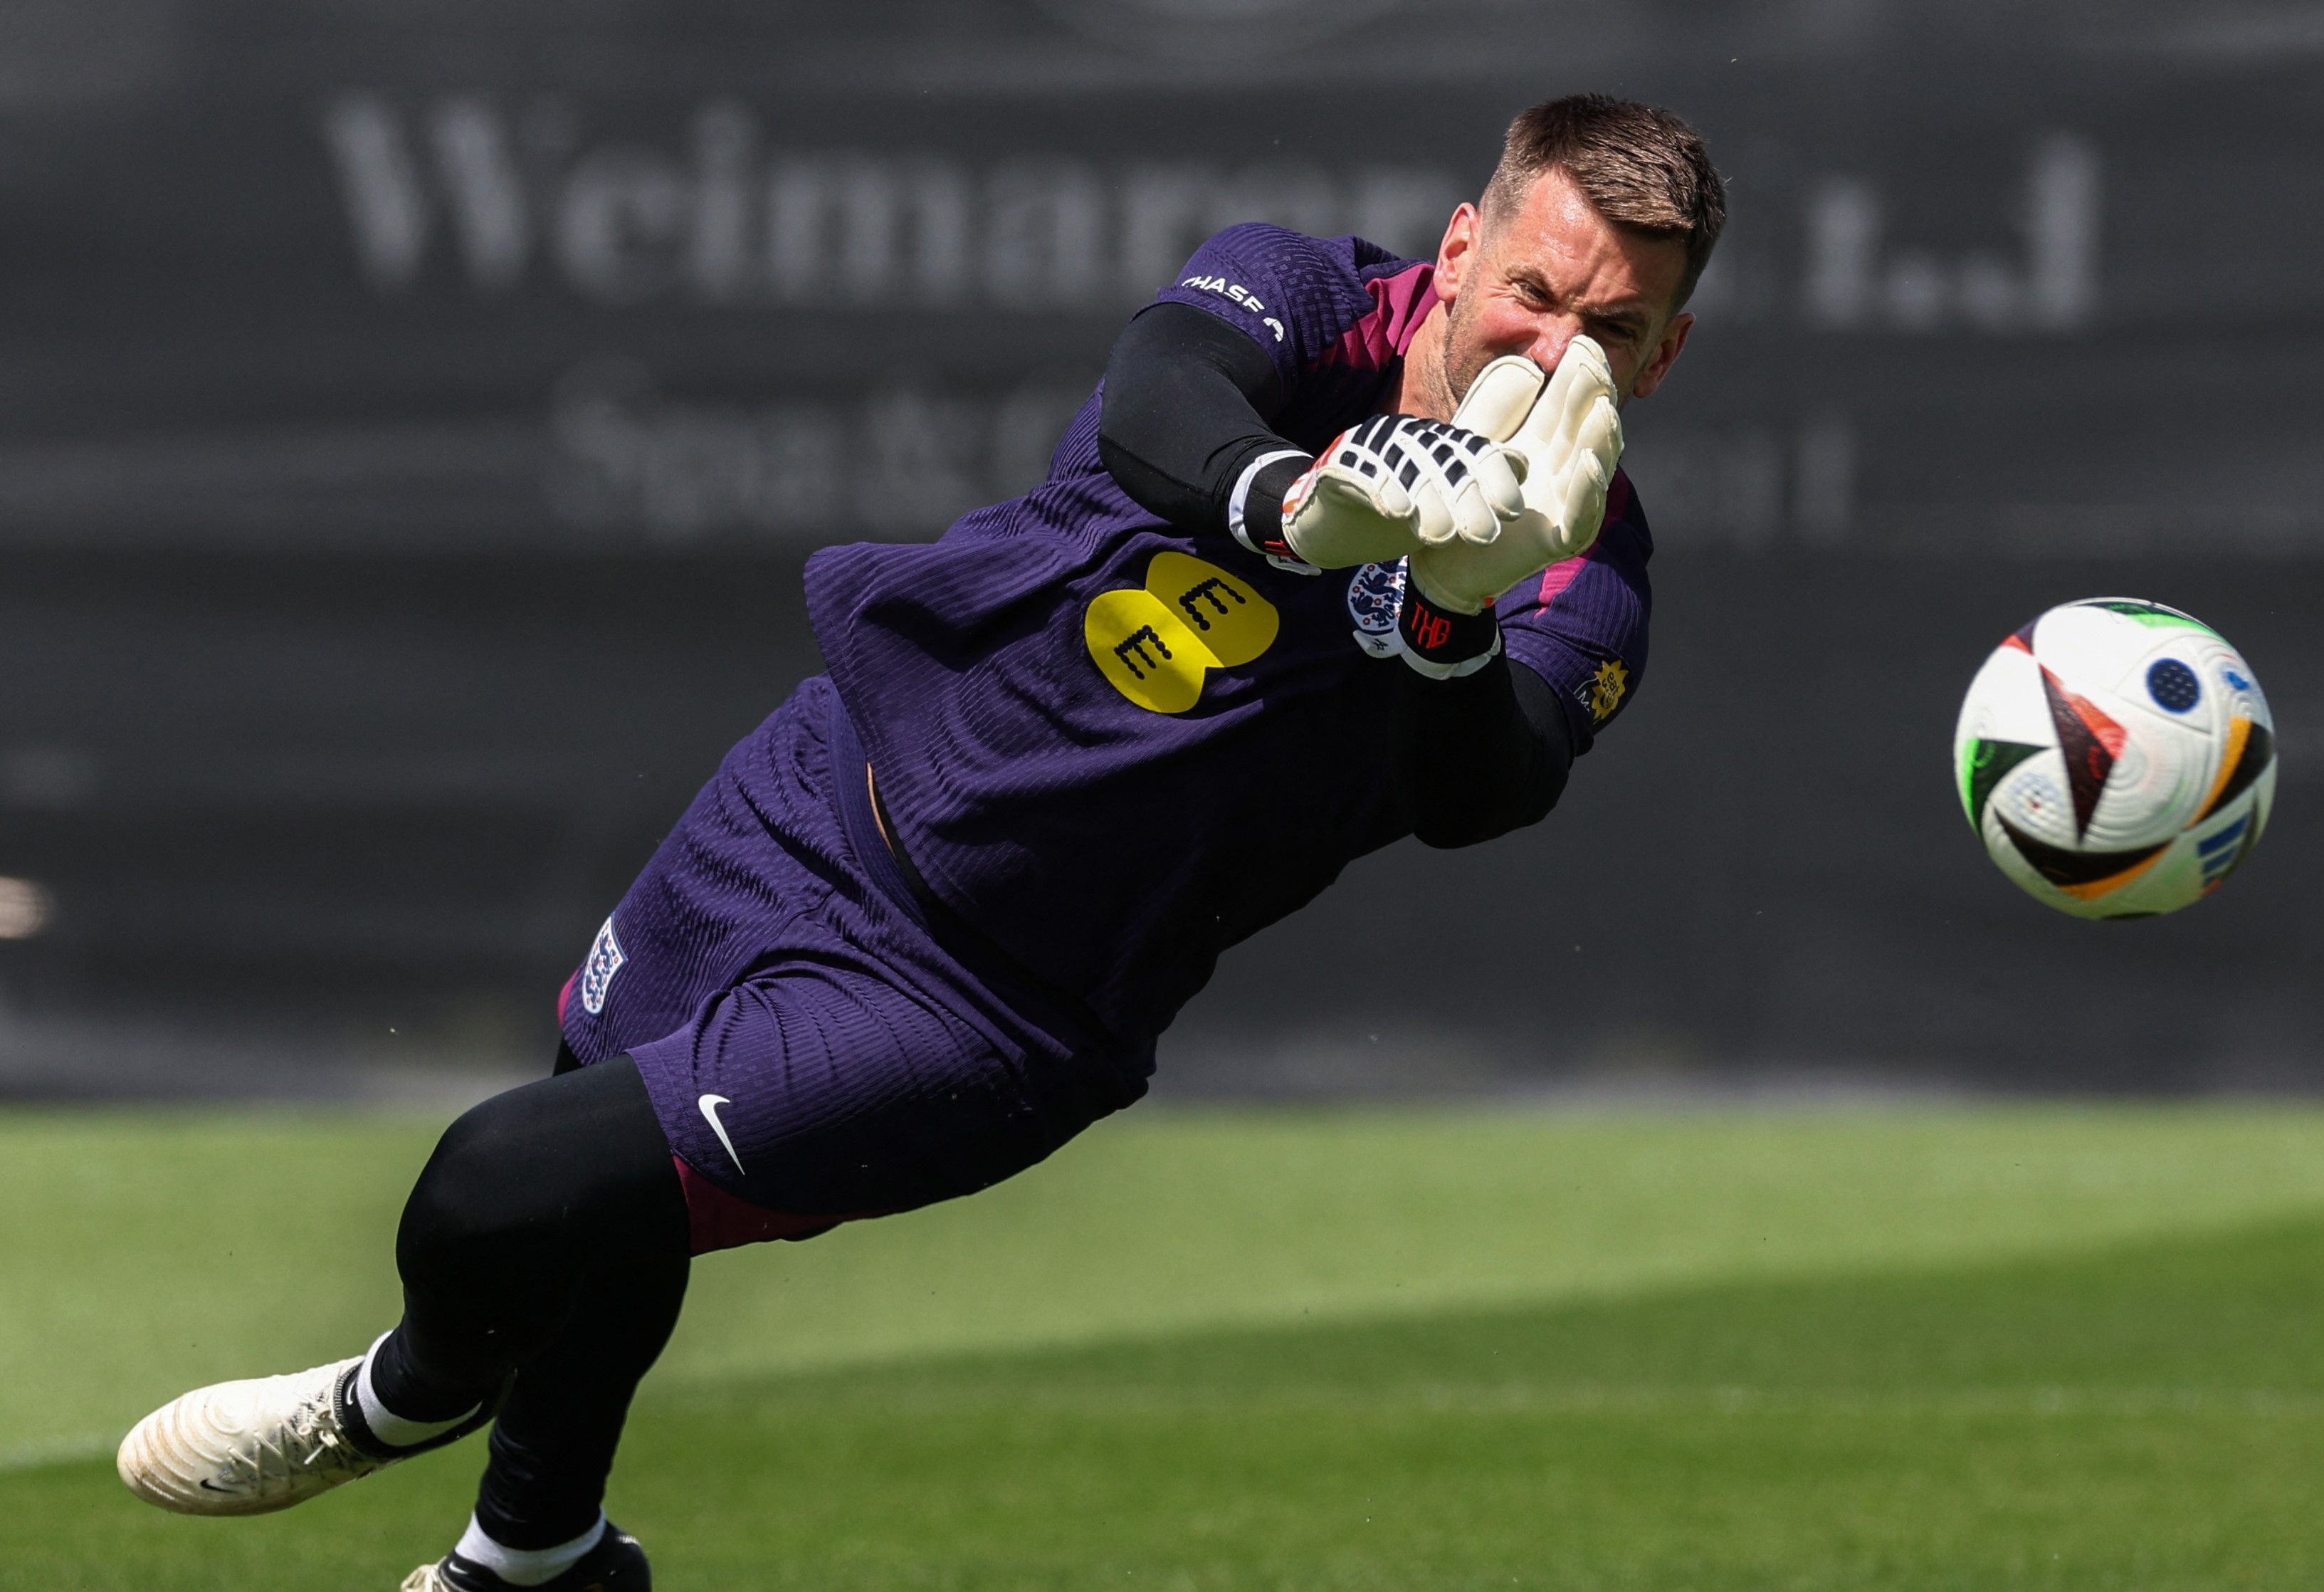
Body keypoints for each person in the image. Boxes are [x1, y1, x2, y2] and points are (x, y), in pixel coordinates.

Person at [115, 93, 1725, 1591]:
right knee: (588, 1127)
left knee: (495, 1183)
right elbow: (1154, 399)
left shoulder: (1584, 573)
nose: (1552, 348)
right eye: (1532, 291)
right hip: (819, 789)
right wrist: (1295, 507)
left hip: (981, 1006)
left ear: (1662, 359)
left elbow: (1484, 787)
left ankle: (398, 1396)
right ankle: (535, 1556)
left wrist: (1445, 612)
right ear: (1457, 249)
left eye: (1611, 330)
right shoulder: (1307, 292)